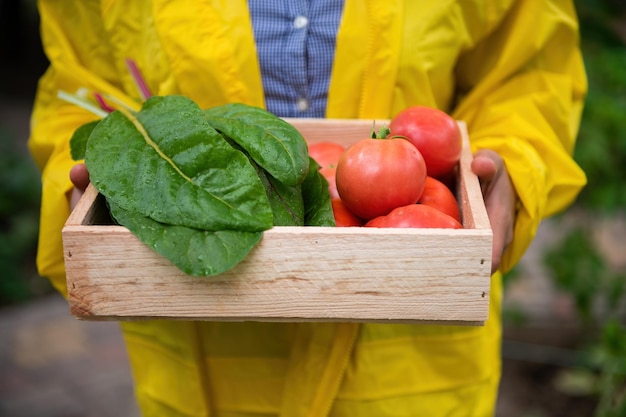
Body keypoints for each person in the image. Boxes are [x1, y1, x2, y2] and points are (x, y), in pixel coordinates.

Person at [28, 1, 587, 416]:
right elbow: (74, 83)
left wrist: (514, 164)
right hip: (204, 357)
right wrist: (98, 185)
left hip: (409, 359)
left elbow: (531, 73)